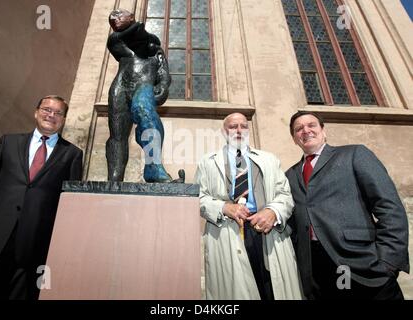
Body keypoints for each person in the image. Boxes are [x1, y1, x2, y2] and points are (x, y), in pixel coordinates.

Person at [286, 111, 409, 300]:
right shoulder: (289, 175)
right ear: (294, 139)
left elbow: (388, 206)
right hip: (317, 269)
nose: (306, 131)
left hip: (363, 262)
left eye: (311, 125)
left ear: (323, 131)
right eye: (299, 129)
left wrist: (388, 260)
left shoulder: (354, 154)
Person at [0, 95, 83, 300]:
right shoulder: (8, 142)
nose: (51, 115)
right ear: (36, 112)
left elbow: (68, 205)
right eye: (46, 110)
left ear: (64, 119)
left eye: (58, 113)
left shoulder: (72, 154)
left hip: (33, 246)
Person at [194, 113, 302, 300]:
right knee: (235, 293)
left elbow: (285, 195)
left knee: (270, 288)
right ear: (224, 131)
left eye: (243, 126)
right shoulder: (207, 162)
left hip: (266, 230)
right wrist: (223, 208)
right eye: (232, 126)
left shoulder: (269, 159)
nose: (238, 130)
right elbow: (198, 198)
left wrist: (272, 212)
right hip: (226, 231)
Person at [106, 9, 172, 183]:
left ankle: (153, 167)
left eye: (120, 14)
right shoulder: (117, 40)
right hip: (121, 86)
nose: (114, 18)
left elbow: (163, 71)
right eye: (112, 17)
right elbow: (132, 33)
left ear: (132, 17)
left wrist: (163, 85)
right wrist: (134, 24)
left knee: (145, 112)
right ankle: (114, 179)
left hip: (144, 85)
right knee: (117, 134)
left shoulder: (154, 48)